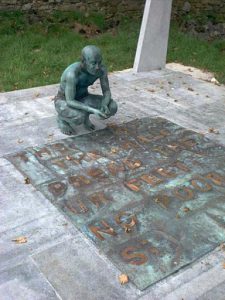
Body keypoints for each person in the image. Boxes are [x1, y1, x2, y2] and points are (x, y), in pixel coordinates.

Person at [54, 45, 118, 135]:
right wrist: (92, 110)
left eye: (99, 62)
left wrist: (104, 104)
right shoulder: (72, 74)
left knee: (112, 106)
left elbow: (106, 91)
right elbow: (70, 101)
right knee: (80, 117)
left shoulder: (101, 70)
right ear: (84, 62)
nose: (97, 67)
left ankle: (85, 117)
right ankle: (62, 119)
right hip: (63, 100)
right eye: (93, 63)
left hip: (84, 97)